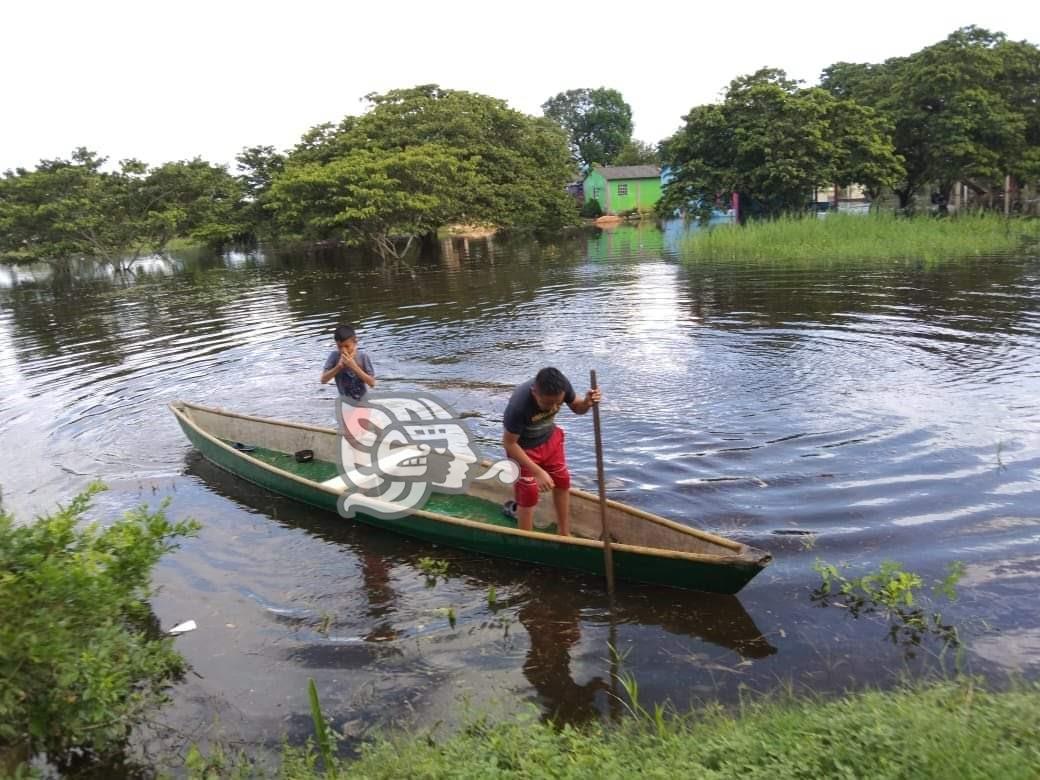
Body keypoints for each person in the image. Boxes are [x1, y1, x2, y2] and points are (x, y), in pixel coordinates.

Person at [502, 367, 601, 536]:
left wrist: (586, 403)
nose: (553, 408)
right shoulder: (518, 406)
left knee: (562, 481)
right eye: (548, 404)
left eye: (558, 403)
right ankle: (526, 539)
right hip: (523, 449)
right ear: (535, 393)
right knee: (529, 492)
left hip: (550, 439)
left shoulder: (561, 386)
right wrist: (538, 472)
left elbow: (578, 408)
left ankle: (564, 532)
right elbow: (509, 443)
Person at [320, 323, 376, 400]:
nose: (343, 350)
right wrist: (338, 367)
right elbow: (323, 380)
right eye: (339, 347)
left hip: (363, 402)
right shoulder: (334, 356)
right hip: (345, 402)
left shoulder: (363, 356)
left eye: (347, 346)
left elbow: (372, 383)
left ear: (355, 342)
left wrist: (354, 367)